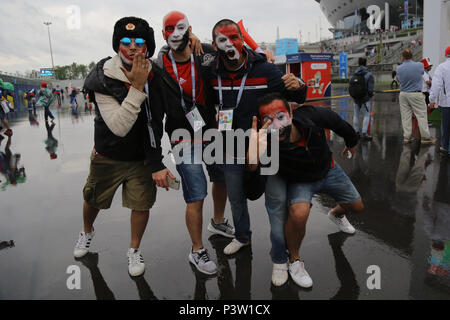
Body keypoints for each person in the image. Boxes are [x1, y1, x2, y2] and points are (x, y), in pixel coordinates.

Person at [74, 16, 171, 277]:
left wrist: (157, 161)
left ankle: (134, 249)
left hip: (141, 157)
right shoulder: (104, 75)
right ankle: (86, 231)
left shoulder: (157, 74)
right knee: (93, 198)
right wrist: (138, 87)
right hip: (109, 155)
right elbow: (119, 127)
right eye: (125, 41)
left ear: (147, 47)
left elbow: (163, 116)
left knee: (141, 205)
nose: (131, 47)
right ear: (117, 45)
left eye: (139, 42)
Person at [207, 19, 307, 256]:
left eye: (235, 37)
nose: (230, 43)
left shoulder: (265, 70)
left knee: (274, 201)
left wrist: (299, 84)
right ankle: (242, 237)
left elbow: (297, 97)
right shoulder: (210, 72)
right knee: (236, 198)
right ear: (214, 44)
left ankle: (280, 254)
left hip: (265, 148)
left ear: (242, 40)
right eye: (223, 39)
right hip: (229, 147)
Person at [250, 93, 363, 288]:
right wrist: (253, 158)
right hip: (300, 181)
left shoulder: (312, 116)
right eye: (268, 121)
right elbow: (252, 192)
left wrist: (351, 142)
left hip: (328, 170)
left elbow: (338, 123)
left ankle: (336, 213)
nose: (277, 126)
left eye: (281, 117)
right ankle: (294, 260)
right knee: (299, 215)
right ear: (261, 124)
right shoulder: (266, 144)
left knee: (357, 206)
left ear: (291, 114)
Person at [156, 11, 232, 275]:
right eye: (169, 29)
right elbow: (154, 112)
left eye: (181, 28)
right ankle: (197, 249)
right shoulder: (160, 65)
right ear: (163, 33)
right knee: (196, 192)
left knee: (221, 177)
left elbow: (235, 56)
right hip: (181, 135)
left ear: (190, 30)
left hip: (210, 129)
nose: (175, 33)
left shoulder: (206, 53)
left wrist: (262, 56)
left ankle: (218, 221)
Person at [396, 49, 436, 145]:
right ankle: (425, 137)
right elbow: (422, 73)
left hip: (403, 94)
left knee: (406, 116)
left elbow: (398, 79)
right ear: (411, 56)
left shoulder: (399, 68)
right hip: (416, 93)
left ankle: (407, 137)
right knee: (421, 115)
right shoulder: (419, 65)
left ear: (403, 57)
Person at [429, 46, 450, 157]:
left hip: (447, 103)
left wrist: (432, 99)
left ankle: (445, 147)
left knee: (446, 126)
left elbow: (436, 85)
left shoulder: (442, 67)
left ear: (446, 55)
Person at [349, 57, 374, 141]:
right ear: (365, 64)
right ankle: (364, 133)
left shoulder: (355, 74)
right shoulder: (368, 74)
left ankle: (356, 132)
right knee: (366, 115)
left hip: (356, 98)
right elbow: (370, 89)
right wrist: (370, 95)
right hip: (365, 99)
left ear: (358, 64)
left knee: (356, 115)